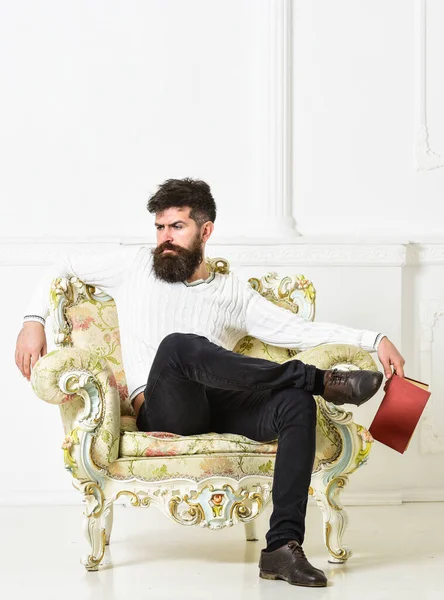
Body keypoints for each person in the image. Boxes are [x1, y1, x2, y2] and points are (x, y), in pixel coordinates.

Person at [15, 177, 405, 588]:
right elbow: (63, 265)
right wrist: (33, 321)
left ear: (206, 230)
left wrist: (374, 339)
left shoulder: (230, 292)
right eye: (160, 227)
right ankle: (314, 379)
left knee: (297, 405)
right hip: (166, 408)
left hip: (225, 404)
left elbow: (295, 331)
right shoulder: (134, 267)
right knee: (178, 346)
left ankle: (281, 548)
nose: (165, 238)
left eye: (177, 227)